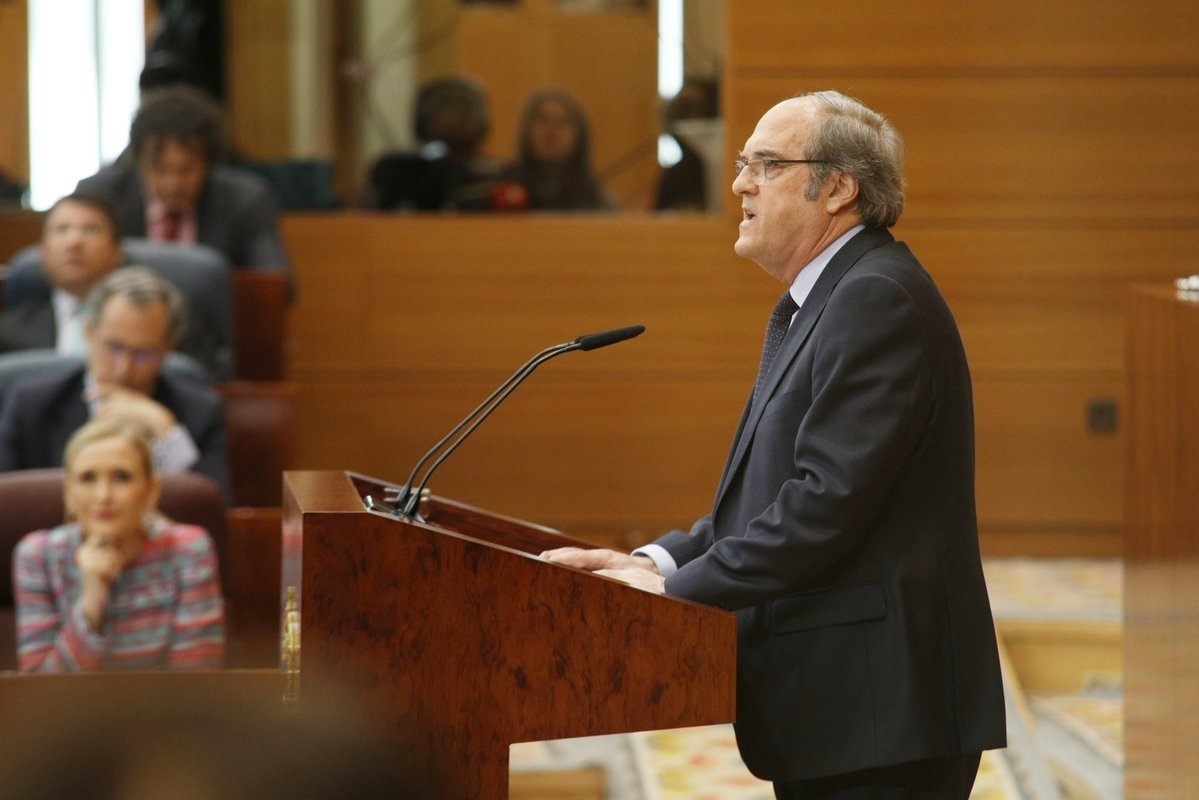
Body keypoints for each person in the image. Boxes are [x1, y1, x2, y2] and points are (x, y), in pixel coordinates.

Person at [542, 90, 1007, 798]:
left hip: (880, 706)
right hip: (850, 704)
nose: (738, 184)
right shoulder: (829, 297)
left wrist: (671, 590)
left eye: (765, 163)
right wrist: (652, 557)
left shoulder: (874, 299)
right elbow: (779, 493)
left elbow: (824, 505)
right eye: (742, 164)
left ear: (838, 188)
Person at [11, 417, 224, 671]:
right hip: (71, 712)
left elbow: (196, 681)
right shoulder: (36, 555)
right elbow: (40, 691)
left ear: (151, 490)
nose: (103, 496)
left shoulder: (189, 549)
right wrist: (92, 600)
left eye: (121, 477)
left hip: (169, 711)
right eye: (87, 478)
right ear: (68, 491)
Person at [0, 267, 231, 501]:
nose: (124, 368)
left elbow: (215, 514)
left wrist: (168, 434)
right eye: (114, 348)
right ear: (89, 333)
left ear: (168, 350)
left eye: (144, 354)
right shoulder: (33, 406)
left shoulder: (199, 412)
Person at [75, 84, 296, 299]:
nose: (173, 183)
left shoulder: (245, 200)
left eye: (186, 169)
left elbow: (278, 287)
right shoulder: (100, 197)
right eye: (159, 168)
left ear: (209, 165)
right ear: (138, 162)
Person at [0, 192, 226, 375]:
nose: (74, 242)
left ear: (117, 253)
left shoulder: (166, 323)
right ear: (43, 252)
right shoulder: (8, 334)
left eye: (91, 229)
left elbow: (198, 391)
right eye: (62, 229)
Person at [363, 75, 502, 212]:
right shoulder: (397, 172)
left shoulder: (497, 179)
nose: (455, 117)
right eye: (445, 105)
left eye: (464, 108)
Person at [496, 89, 618, 212]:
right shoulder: (500, 191)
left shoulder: (598, 202)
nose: (552, 131)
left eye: (563, 122)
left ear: (580, 135)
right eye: (542, 120)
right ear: (526, 130)